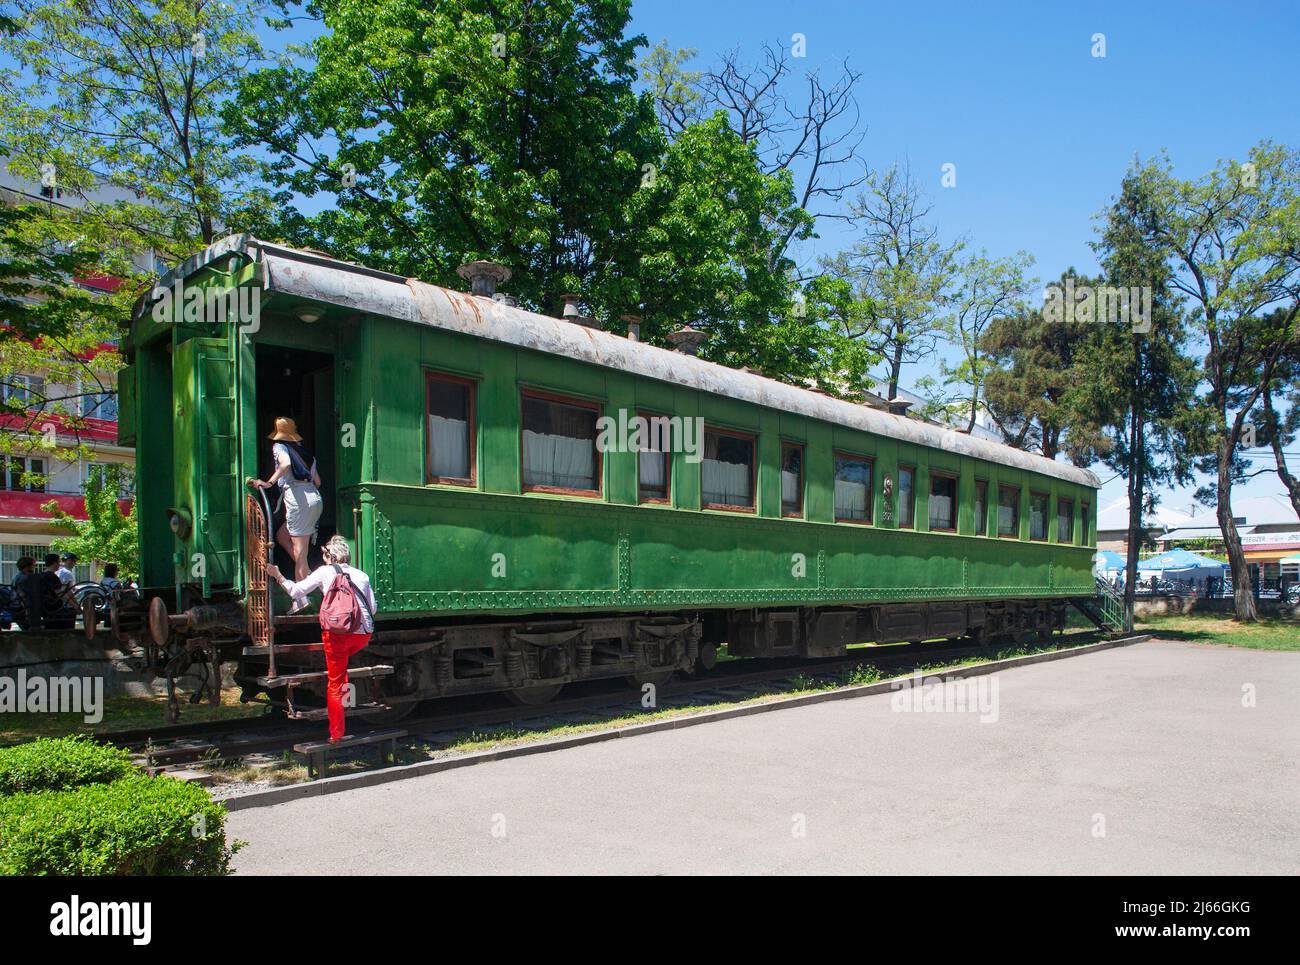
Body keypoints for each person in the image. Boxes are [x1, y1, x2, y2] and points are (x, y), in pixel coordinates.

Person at [267, 535, 377, 743]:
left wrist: (278, 575)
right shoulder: (361, 575)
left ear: (329, 556)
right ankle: (347, 698)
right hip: (363, 635)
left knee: (335, 683)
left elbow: (295, 591)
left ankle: (336, 734)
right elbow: (373, 608)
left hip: (337, 637)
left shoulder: (324, 572)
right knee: (341, 672)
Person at [254, 416, 323, 585]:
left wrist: (268, 483)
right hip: (314, 498)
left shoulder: (279, 447)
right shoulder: (306, 454)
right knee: (282, 536)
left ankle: (301, 598)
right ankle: (309, 575)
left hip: (298, 499)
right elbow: (318, 482)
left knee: (300, 552)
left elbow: (284, 464)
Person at [38, 553, 75, 630]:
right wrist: (75, 606)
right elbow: (60, 593)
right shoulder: (52, 576)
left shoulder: (40, 575)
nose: (60, 564)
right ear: (54, 563)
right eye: (58, 562)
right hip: (55, 610)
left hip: (44, 608)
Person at [11, 556, 36, 630]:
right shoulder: (24, 578)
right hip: (20, 608)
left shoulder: (17, 576)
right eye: (33, 565)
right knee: (29, 630)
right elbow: (22, 595)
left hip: (16, 607)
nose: (34, 567)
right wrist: (27, 610)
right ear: (28, 566)